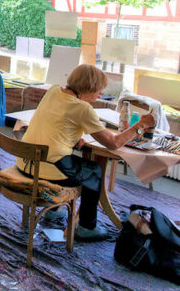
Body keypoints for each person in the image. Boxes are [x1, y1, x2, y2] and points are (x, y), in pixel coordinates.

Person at [17, 64, 156, 240]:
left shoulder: (53, 91)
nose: (100, 94)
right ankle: (86, 227)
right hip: (46, 170)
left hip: (25, 161)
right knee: (94, 171)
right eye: (99, 90)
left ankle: (54, 210)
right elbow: (114, 143)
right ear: (89, 87)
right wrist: (140, 125)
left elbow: (55, 121)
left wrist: (73, 138)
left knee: (75, 164)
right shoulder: (83, 109)